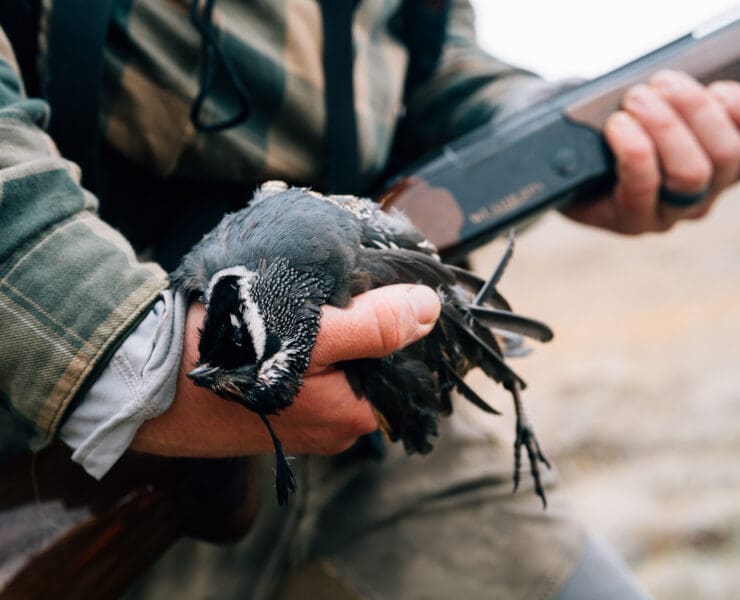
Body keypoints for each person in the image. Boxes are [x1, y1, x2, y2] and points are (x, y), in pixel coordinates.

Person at [0, 1, 738, 598]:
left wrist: (572, 136)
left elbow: (436, 61)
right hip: (83, 419)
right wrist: (129, 356)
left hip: (387, 416)